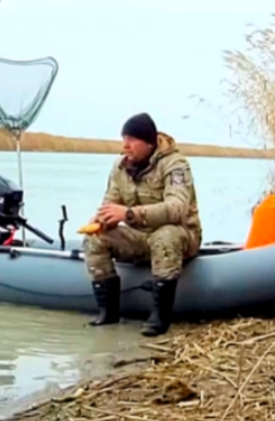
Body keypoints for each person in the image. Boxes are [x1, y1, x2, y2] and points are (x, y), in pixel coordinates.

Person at [82, 112, 203, 335]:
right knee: (95, 238)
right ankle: (107, 314)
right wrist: (102, 220)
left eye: (132, 139)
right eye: (123, 138)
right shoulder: (120, 168)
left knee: (165, 235)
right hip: (141, 238)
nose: (125, 145)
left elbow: (177, 209)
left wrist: (128, 214)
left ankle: (159, 317)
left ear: (149, 143)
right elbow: (110, 201)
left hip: (181, 235)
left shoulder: (175, 165)